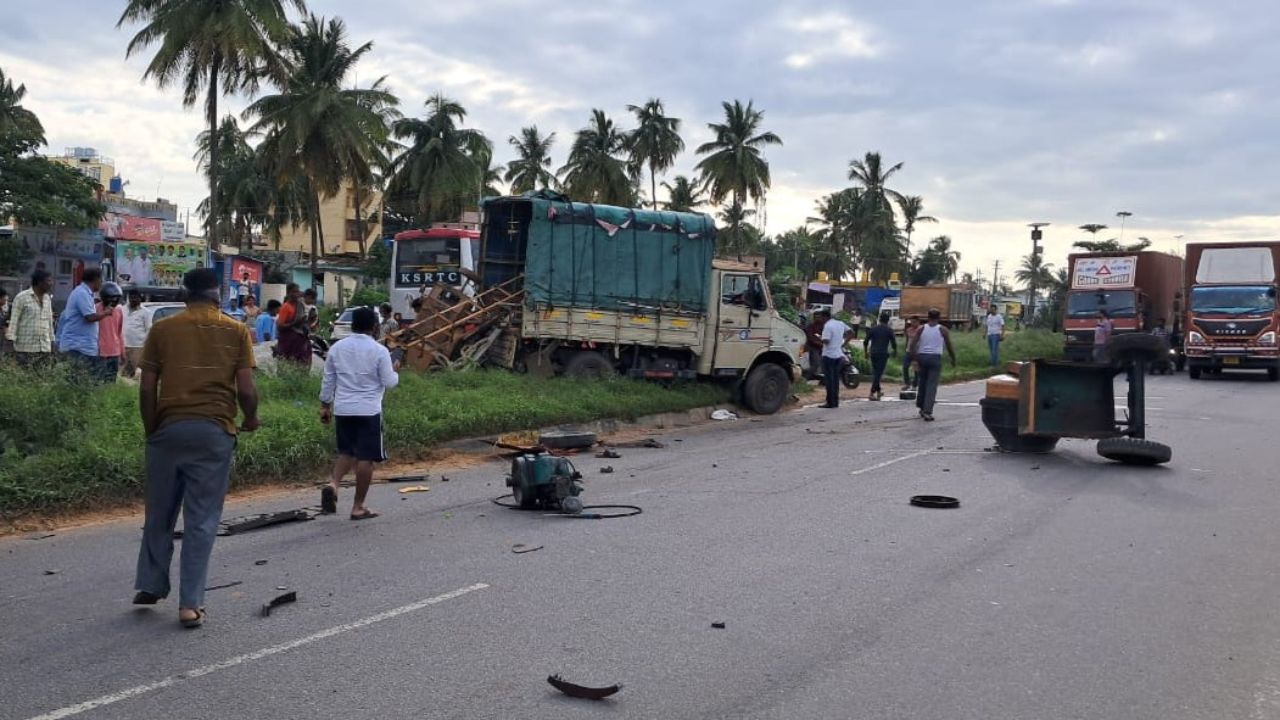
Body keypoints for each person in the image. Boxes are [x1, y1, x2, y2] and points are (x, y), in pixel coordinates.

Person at [133, 268, 259, 629]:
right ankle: (190, 605)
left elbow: (146, 389)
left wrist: (151, 428)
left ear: (185, 294)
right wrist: (250, 418)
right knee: (201, 519)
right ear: (218, 295)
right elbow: (247, 390)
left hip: (167, 429)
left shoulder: (162, 329)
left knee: (159, 512)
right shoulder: (235, 330)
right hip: (214, 430)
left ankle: (150, 584)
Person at [319, 307, 400, 520]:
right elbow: (389, 382)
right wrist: (396, 368)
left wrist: (325, 405)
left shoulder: (337, 348)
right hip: (368, 410)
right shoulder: (380, 351)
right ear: (374, 327)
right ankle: (358, 506)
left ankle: (333, 484)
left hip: (343, 408)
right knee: (366, 458)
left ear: (353, 324)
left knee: (347, 452)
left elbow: (328, 380)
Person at [56, 267, 108, 377]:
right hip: (77, 348)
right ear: (95, 279)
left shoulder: (87, 294)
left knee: (86, 383)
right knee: (77, 382)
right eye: (101, 280)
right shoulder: (81, 293)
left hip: (85, 347)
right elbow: (90, 317)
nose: (101, 284)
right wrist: (106, 313)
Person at [907, 308, 958, 421]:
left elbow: (912, 345)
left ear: (928, 317)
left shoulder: (921, 328)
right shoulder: (942, 329)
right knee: (931, 385)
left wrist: (914, 359)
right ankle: (927, 411)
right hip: (935, 358)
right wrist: (953, 358)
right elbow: (949, 345)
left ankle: (921, 406)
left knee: (922, 382)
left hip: (922, 357)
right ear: (938, 318)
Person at [6, 270, 55, 367]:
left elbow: (49, 322)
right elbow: (14, 321)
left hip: (44, 347)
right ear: (40, 282)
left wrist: (52, 342)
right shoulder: (22, 297)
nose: (51, 284)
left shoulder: (47, 298)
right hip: (25, 348)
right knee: (25, 379)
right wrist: (10, 343)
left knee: (42, 379)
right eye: (48, 281)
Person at [817, 309, 852, 409]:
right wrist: (844, 343)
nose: (820, 320)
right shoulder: (840, 323)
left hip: (828, 355)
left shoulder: (827, 326)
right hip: (838, 355)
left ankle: (830, 402)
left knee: (829, 380)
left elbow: (826, 341)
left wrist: (821, 338)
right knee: (836, 380)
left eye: (821, 317)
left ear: (825, 317)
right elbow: (851, 332)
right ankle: (835, 402)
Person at [863, 312, 898, 401]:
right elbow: (894, 343)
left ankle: (878, 392)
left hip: (873, 353)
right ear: (888, 320)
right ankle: (871, 393)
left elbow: (865, 341)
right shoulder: (889, 330)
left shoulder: (873, 329)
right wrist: (895, 351)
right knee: (878, 374)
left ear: (880, 319)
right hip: (882, 354)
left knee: (876, 373)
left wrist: (865, 352)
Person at [95, 282, 126, 383]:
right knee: (98, 380)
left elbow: (119, 332)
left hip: (114, 351)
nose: (113, 301)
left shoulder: (119, 310)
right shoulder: (95, 309)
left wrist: (122, 351)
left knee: (111, 381)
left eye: (116, 298)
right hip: (100, 352)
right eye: (111, 298)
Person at [274, 284, 312, 366]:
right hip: (288, 342)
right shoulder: (286, 307)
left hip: (299, 340)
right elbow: (280, 327)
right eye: (294, 292)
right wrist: (295, 323)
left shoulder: (299, 305)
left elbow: (302, 322)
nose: (296, 294)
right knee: (287, 363)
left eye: (297, 292)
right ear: (289, 293)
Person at [122, 290, 150, 378]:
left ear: (140, 298)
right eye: (131, 297)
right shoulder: (122, 309)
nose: (133, 299)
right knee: (122, 373)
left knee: (137, 374)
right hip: (123, 345)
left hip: (138, 347)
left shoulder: (146, 312)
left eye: (135, 297)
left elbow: (148, 329)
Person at [901, 317, 921, 392]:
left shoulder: (921, 330)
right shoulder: (908, 330)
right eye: (912, 322)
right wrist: (906, 348)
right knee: (905, 366)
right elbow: (907, 340)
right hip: (909, 351)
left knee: (916, 369)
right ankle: (907, 383)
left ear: (918, 322)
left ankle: (915, 384)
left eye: (914, 322)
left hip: (917, 351)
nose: (913, 324)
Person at [803, 312, 826, 379]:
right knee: (816, 363)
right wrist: (820, 343)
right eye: (816, 317)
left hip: (822, 347)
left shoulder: (824, 326)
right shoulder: (811, 326)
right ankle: (806, 378)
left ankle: (822, 378)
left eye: (819, 317)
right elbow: (811, 338)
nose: (817, 319)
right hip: (813, 347)